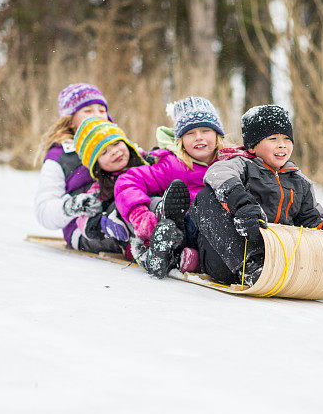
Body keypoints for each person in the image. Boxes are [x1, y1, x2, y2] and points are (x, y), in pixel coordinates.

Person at [189, 104, 323, 286]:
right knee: (207, 197)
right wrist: (242, 205)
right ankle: (248, 265)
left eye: (287, 139)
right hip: (227, 259)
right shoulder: (242, 165)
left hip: (275, 260)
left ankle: (262, 266)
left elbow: (311, 216)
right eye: (273, 139)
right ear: (253, 147)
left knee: (316, 227)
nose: (282, 145)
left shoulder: (300, 182)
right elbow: (217, 174)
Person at [115, 96, 245, 277]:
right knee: (191, 209)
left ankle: (183, 258)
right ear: (181, 140)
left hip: (224, 232)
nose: (198, 137)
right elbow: (127, 182)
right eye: (190, 133)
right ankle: (170, 241)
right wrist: (139, 215)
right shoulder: (172, 165)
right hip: (189, 227)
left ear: (217, 134)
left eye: (206, 130)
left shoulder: (235, 162)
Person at [33, 83, 115, 252]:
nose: (97, 116)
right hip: (84, 229)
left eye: (101, 110)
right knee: (121, 235)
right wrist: (70, 206)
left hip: (120, 212)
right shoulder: (60, 157)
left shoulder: (118, 147)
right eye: (88, 111)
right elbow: (44, 210)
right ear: (70, 121)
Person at [70, 117, 149, 253]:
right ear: (97, 165)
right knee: (119, 204)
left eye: (116, 143)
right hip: (133, 233)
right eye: (104, 152)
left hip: (157, 216)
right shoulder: (99, 190)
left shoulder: (149, 163)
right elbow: (83, 222)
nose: (114, 151)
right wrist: (102, 223)